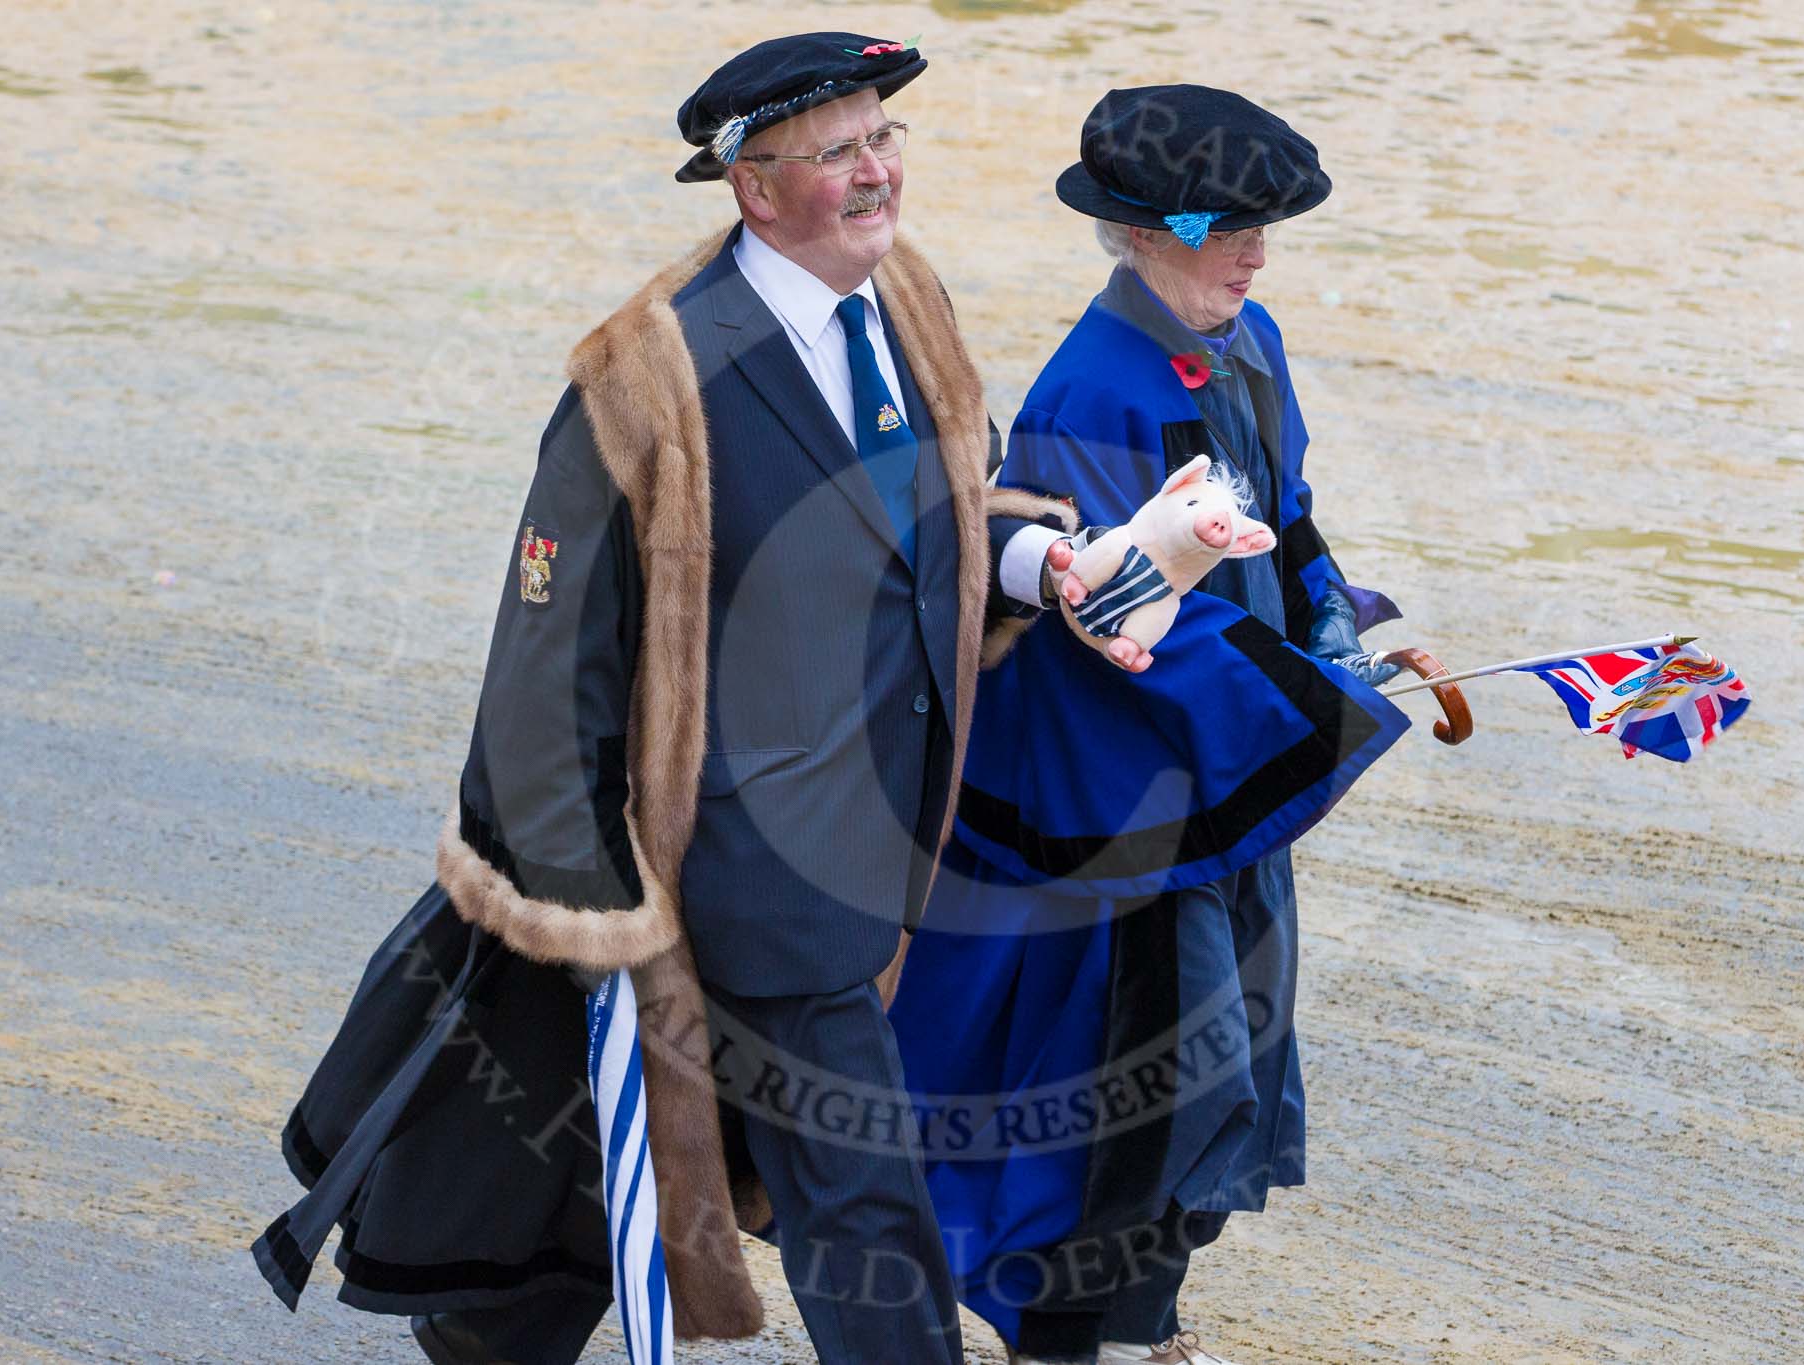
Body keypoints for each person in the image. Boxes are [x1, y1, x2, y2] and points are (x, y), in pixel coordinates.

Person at [252, 32, 1109, 1365]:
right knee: (863, 1210)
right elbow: (542, 688)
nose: (879, 171)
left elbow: (931, 525)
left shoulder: (911, 309)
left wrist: (1035, 561)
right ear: (752, 187)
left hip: (868, 860)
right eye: (839, 152)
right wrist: (611, 926)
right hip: (719, 881)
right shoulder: (644, 381)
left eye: (887, 136)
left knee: (583, 1206)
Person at [891, 85, 1438, 1365]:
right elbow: (1130, 621)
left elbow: (1286, 523)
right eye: (1233, 226)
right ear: (1144, 233)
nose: (1257, 251)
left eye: (1267, 227)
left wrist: (1343, 639)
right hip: (1119, 804)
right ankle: (1067, 1339)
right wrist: (1316, 709)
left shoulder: (1247, 342)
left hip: (1224, 763)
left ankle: (1148, 1316)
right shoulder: (1090, 390)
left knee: (1227, 1058)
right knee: (1124, 1091)